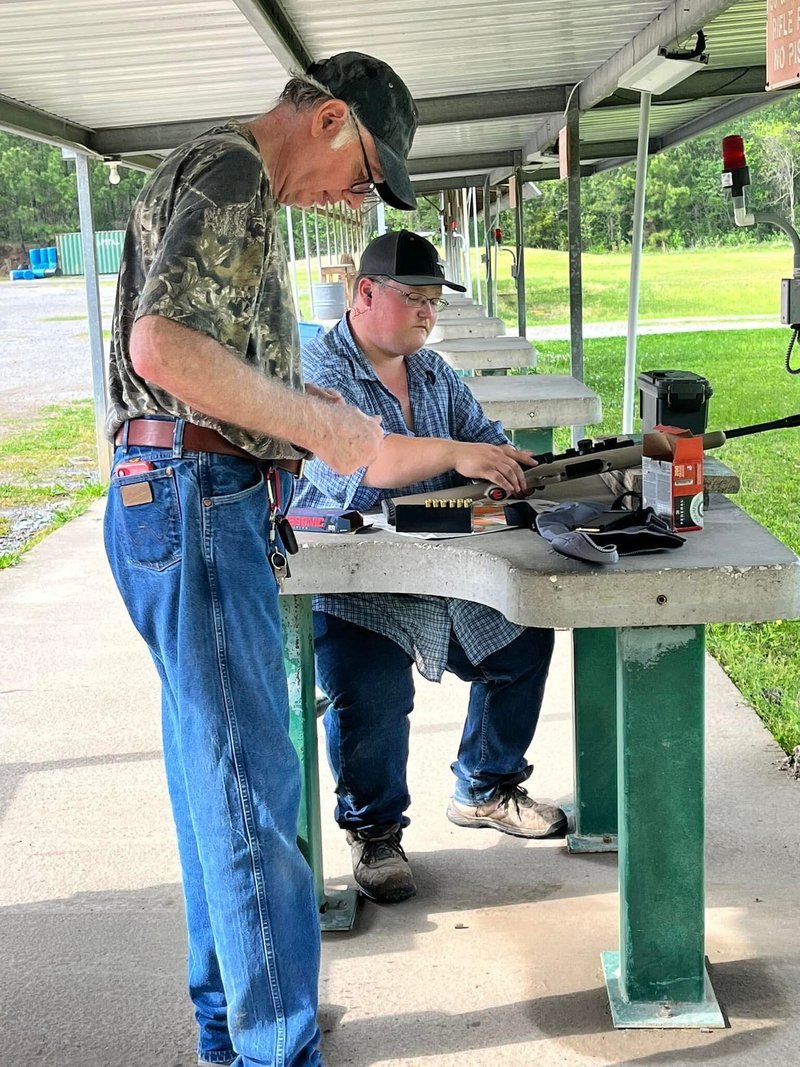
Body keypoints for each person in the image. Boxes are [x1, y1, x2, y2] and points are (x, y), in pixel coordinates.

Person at [103, 54, 417, 1067]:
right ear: (328, 118)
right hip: (196, 499)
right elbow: (162, 348)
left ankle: (233, 1035)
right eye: (365, 170)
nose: (357, 197)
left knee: (218, 787)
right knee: (250, 794)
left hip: (177, 497)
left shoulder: (203, 168)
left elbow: (184, 356)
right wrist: (316, 426)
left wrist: (301, 422)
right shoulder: (234, 172)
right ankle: (275, 1051)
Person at [293, 230, 566, 907]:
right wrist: (458, 452)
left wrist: (519, 468)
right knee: (374, 700)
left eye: (434, 301)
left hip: (445, 573)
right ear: (363, 294)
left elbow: (486, 443)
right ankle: (376, 830)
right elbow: (364, 464)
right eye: (413, 298)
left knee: (525, 634)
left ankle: (486, 785)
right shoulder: (316, 369)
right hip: (354, 581)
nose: (427, 312)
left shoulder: (435, 373)